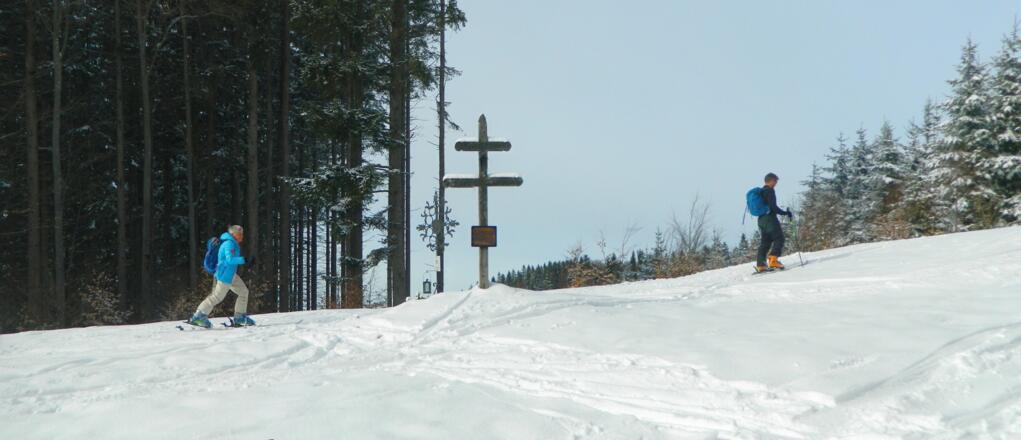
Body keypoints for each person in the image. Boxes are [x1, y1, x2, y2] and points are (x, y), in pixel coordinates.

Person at [188, 225, 256, 328]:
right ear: (233, 234)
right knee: (216, 297)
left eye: (242, 234)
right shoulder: (229, 244)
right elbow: (229, 259)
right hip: (224, 275)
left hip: (231, 274)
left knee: (243, 292)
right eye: (239, 234)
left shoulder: (232, 243)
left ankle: (239, 317)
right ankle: (199, 316)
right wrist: (244, 260)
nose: (241, 236)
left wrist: (245, 261)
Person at [756, 173, 793, 273]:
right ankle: (773, 260)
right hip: (770, 219)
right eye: (775, 181)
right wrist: (785, 213)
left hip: (761, 220)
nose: (776, 183)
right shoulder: (769, 191)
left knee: (765, 242)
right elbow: (773, 207)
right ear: (771, 180)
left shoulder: (761, 191)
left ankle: (761, 265)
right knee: (779, 238)